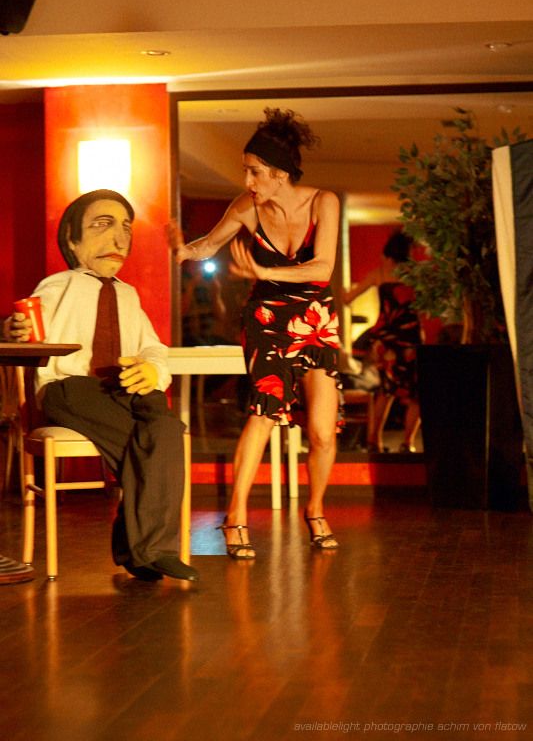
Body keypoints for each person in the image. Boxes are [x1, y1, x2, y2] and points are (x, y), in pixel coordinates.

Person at [167, 108, 342, 558]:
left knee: (322, 431)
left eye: (255, 171)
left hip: (315, 318)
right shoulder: (246, 208)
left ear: (280, 173)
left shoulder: (323, 202)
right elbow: (208, 246)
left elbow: (322, 268)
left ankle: (315, 510)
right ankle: (235, 517)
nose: (247, 180)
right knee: (264, 412)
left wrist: (264, 270)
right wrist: (183, 250)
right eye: (245, 170)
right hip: (266, 317)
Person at [5, 189, 198, 582]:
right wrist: (14, 328)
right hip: (70, 388)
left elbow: (152, 347)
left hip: (122, 390)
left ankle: (137, 549)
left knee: (165, 428)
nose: (119, 238)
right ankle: (147, 551)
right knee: (149, 442)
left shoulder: (128, 295)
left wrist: (152, 369)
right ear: (72, 240)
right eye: (102, 224)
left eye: (126, 227)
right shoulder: (58, 286)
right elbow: (25, 327)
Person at [343, 230, 422, 453]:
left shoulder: (379, 274)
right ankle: (408, 443)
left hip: (386, 340)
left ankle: (374, 441)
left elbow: (348, 298)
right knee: (416, 394)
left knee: (385, 392)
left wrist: (341, 290)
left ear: (387, 255)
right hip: (410, 340)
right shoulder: (415, 275)